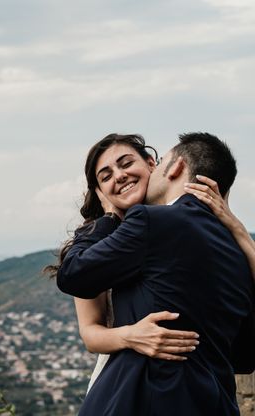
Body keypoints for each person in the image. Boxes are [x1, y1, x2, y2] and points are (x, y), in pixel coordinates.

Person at [55, 132, 255, 415]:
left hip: (139, 395)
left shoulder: (151, 222)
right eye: (106, 176)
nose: (120, 176)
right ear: (99, 191)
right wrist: (129, 335)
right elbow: (244, 356)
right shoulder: (233, 248)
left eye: (126, 164)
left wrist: (110, 216)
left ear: (158, 166)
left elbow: (71, 275)